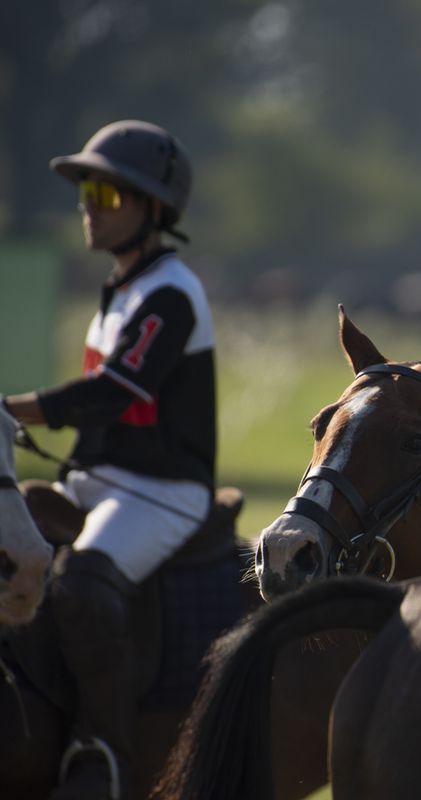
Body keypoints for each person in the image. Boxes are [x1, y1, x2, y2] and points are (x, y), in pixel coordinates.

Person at [1, 120, 215, 799]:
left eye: (107, 193)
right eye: (86, 191)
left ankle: (104, 751)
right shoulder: (122, 289)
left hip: (162, 494)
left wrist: (14, 408)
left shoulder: (171, 291)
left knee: (85, 583)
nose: (89, 205)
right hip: (98, 484)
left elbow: (117, 392)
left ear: (153, 209)